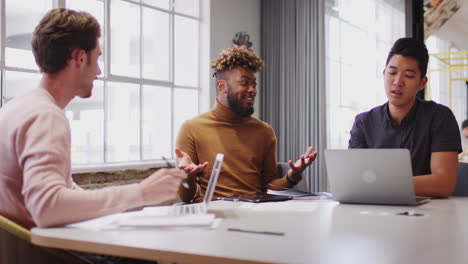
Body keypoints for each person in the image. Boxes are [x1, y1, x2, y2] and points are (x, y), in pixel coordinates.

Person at [0, 8, 186, 230]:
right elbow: (47, 207)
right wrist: (141, 193)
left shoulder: (15, 108)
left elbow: (60, 190)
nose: (98, 71)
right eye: (97, 58)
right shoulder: (46, 116)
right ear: (80, 57)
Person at [175, 45, 317, 203]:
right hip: (213, 215)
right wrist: (186, 175)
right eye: (244, 83)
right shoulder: (191, 128)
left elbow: (269, 185)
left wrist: (292, 176)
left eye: (254, 84)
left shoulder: (264, 131)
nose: (252, 90)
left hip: (256, 212)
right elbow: (185, 198)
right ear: (222, 86)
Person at [348, 37, 461, 198]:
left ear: (422, 83)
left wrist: (380, 183)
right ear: (384, 73)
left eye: (408, 76)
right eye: (392, 73)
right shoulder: (364, 123)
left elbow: (443, 184)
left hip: (427, 214)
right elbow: (352, 180)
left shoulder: (439, 117)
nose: (397, 82)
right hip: (375, 212)